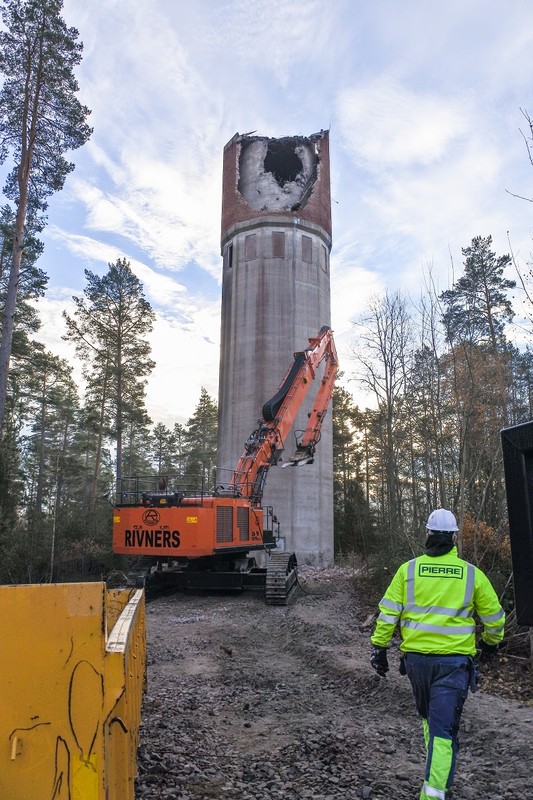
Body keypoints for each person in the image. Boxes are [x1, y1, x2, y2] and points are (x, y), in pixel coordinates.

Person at [369, 508, 505, 800]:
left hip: (417, 663)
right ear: (455, 538)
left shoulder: (408, 571)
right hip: (453, 665)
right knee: (443, 729)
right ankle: (433, 793)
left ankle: (436, 777)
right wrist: (491, 644)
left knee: (432, 721)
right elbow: (495, 619)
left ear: (427, 535)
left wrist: (379, 648)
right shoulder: (472, 575)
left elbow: (388, 614)